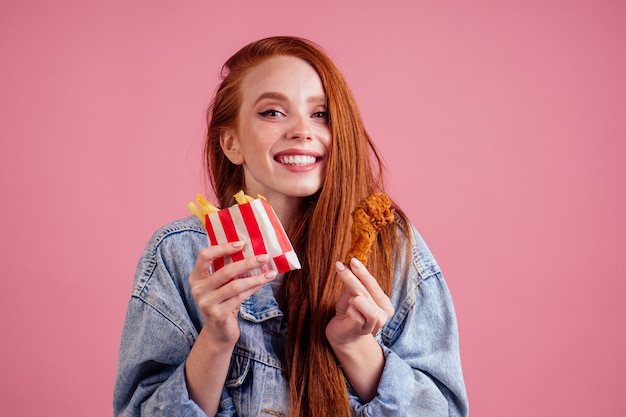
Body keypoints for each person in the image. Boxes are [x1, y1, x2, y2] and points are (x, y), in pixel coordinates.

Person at [113, 36, 469, 417]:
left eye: (320, 114)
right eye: (272, 113)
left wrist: (354, 345)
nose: (302, 130)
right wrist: (215, 339)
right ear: (231, 143)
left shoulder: (394, 249)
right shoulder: (179, 254)